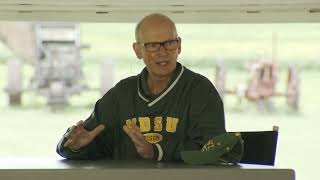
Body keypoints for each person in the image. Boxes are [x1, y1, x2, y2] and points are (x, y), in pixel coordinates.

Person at [56, 13, 226, 162]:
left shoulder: (200, 91)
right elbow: (89, 144)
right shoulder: (121, 95)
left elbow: (216, 149)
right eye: (152, 45)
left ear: (179, 45)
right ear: (138, 50)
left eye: (170, 43)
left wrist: (157, 151)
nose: (163, 52)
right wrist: (75, 146)